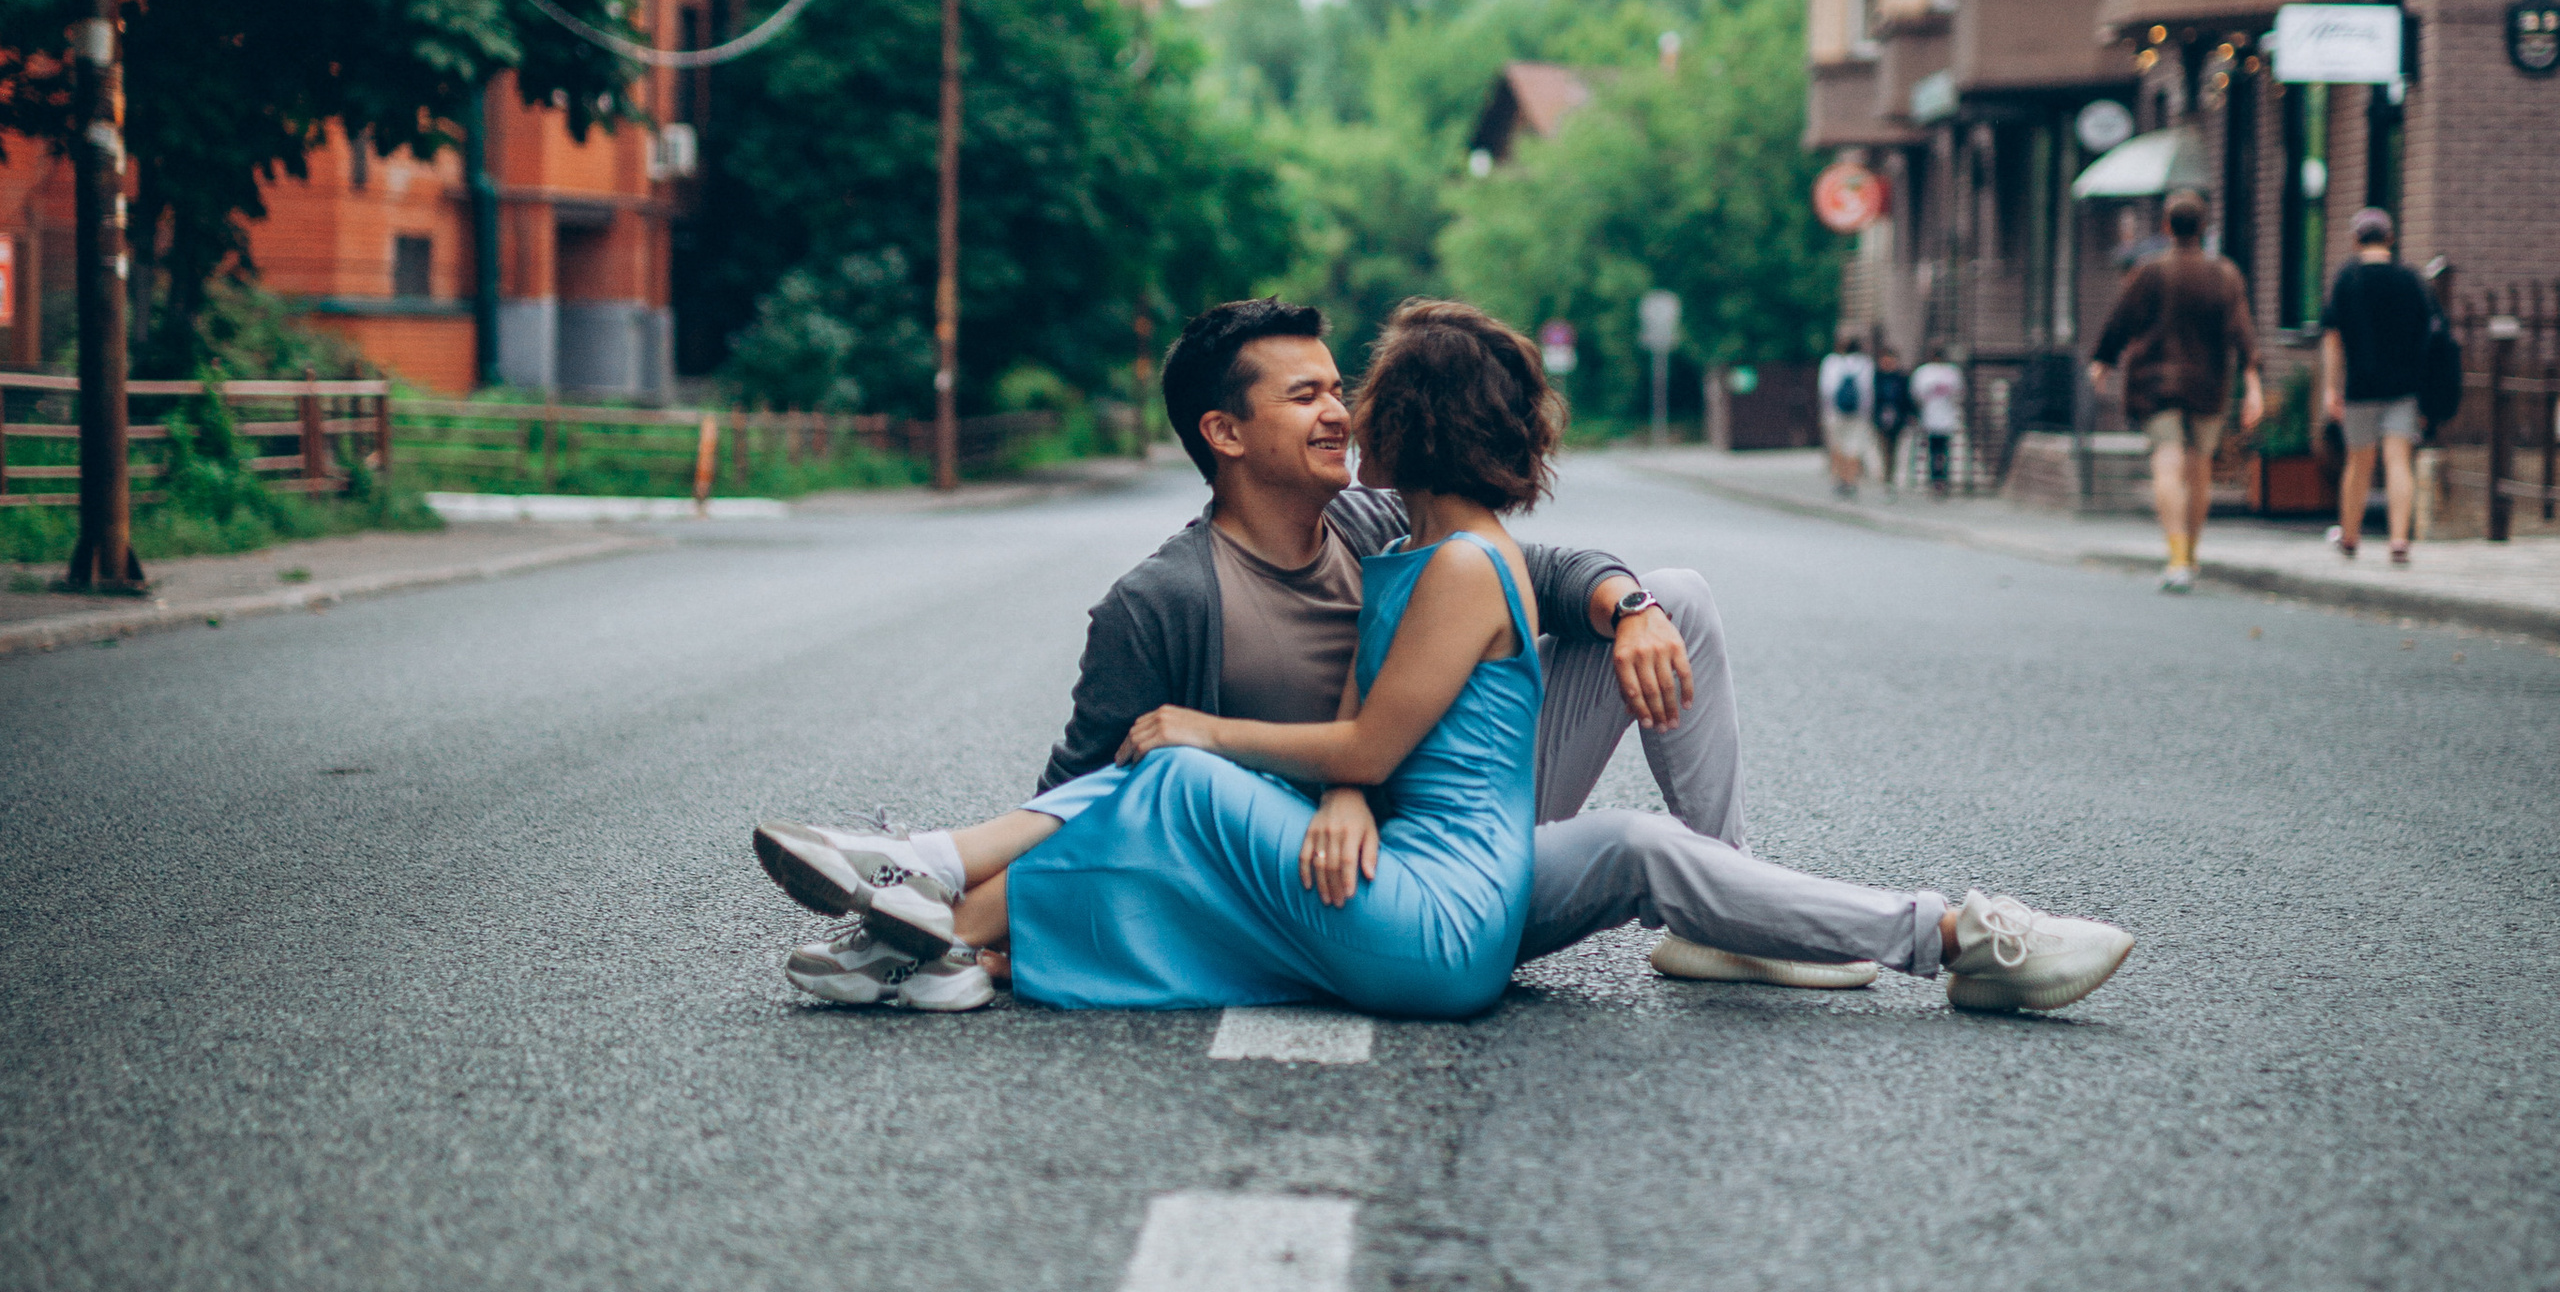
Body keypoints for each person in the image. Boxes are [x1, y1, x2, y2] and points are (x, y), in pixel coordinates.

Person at [758, 295, 2135, 1020]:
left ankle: (933, 888)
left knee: (1679, 612)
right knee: (1152, 785)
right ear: (1227, 437)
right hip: (1393, 852)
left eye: (1347, 393)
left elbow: (1403, 691)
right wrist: (1320, 774)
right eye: (1309, 395)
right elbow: (1107, 773)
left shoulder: (1400, 538)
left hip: (1426, 864)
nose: (1339, 412)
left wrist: (1614, 603)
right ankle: (935, 923)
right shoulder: (1168, 597)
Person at [2090, 188, 2263, 593]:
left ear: (2166, 227)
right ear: (2204, 228)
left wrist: (2102, 362)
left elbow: (2120, 320)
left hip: (2156, 383)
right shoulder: (2225, 274)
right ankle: (2192, 554)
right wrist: (2253, 384)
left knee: (2166, 464)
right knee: (2198, 466)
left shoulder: (2150, 272)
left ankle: (2176, 555)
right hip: (2209, 383)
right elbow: (2242, 330)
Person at [2320, 203, 2431, 566]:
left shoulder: (2346, 280)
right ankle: (2399, 540)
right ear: (2391, 239)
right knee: (2398, 460)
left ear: (2355, 240)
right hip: (2403, 386)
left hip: (2360, 386)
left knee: (2359, 461)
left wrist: (2330, 388)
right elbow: (2425, 334)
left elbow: (2333, 339)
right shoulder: (2410, 279)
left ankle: (2350, 536)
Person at [1818, 328, 1872, 494]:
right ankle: (1852, 480)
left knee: (1838, 446)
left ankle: (1840, 479)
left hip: (1835, 412)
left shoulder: (1831, 362)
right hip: (1858, 413)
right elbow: (1868, 391)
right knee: (1854, 447)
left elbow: (1825, 390)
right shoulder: (1865, 363)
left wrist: (1824, 412)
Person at [1913, 343, 1963, 494]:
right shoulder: (1950, 373)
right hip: (1936, 418)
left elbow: (1916, 395)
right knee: (1938, 451)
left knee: (1939, 451)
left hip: (1940, 418)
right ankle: (1938, 478)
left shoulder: (1928, 373)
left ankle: (1939, 479)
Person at [1870, 344, 1912, 493]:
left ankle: (1891, 477)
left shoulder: (1901, 378)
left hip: (1897, 417)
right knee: (1884, 447)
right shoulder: (1877, 378)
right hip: (1881, 417)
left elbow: (1907, 398)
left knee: (1894, 448)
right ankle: (1886, 477)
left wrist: (1909, 415)